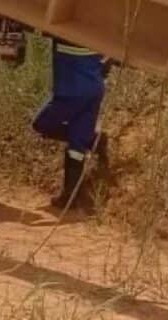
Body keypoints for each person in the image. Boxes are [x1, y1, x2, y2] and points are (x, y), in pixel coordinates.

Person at [32, 36, 112, 210]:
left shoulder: (65, 31)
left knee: (41, 123)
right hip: (93, 91)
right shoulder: (99, 35)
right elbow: (107, 62)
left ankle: (93, 140)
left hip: (70, 93)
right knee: (77, 145)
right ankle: (70, 197)